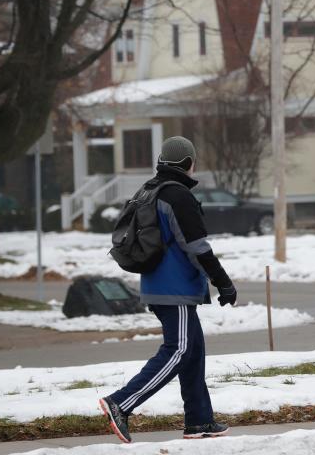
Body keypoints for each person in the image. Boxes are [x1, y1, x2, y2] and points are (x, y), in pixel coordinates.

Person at [99, 136, 237, 442]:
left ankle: (199, 421)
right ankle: (120, 403)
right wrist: (223, 282)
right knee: (180, 349)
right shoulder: (177, 195)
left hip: (158, 284)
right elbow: (197, 247)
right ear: (189, 163)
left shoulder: (150, 189)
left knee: (193, 349)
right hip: (174, 288)